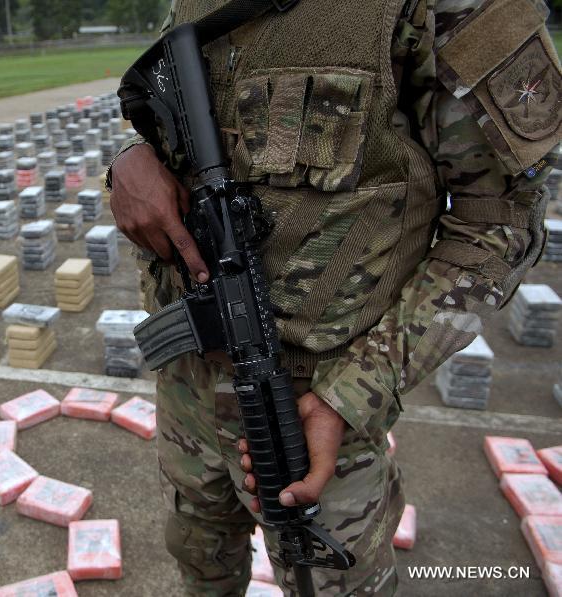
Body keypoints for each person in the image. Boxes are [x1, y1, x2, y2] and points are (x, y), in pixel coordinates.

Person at [109, 0, 560, 595]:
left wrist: (356, 392)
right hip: (186, 383)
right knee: (198, 561)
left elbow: (499, 225)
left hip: (316, 413)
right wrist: (126, 163)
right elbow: (164, 116)